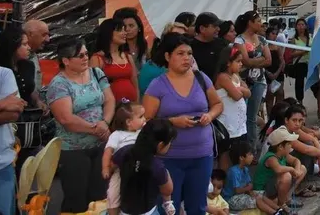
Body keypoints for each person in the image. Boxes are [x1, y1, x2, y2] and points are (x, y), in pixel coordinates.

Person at [143, 33, 224, 215]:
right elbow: (146, 121)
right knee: (169, 207)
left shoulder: (201, 78)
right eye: (180, 53)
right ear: (167, 56)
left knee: (198, 207)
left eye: (189, 53)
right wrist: (173, 122)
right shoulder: (157, 85)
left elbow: (218, 104)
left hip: (202, 155)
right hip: (169, 158)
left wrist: (210, 115)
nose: (186, 58)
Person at [48, 39, 115, 213]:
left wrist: (105, 122)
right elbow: (66, 119)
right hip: (73, 149)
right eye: (80, 56)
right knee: (76, 199)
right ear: (66, 61)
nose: (86, 58)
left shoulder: (96, 72)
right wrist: (97, 129)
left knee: (100, 197)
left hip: (100, 144)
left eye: (86, 54)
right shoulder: (58, 84)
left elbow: (109, 99)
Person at [233, 10, 271, 150]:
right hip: (244, 81)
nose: (261, 24)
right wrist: (260, 59)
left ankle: (252, 147)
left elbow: (269, 61)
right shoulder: (239, 40)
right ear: (250, 23)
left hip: (259, 80)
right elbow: (246, 62)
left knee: (252, 115)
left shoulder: (262, 39)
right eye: (258, 21)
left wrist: (255, 61)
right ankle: (244, 146)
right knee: (242, 114)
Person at [102, 102, 145, 215]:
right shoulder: (117, 135)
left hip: (140, 170)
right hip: (120, 170)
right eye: (141, 117)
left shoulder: (142, 133)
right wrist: (105, 168)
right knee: (113, 194)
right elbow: (108, 152)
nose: (144, 119)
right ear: (129, 122)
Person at [253, 127, 307, 214]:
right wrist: (292, 169)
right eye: (289, 144)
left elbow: (296, 161)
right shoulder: (271, 157)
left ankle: (286, 198)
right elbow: (279, 169)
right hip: (263, 191)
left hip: (273, 185)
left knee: (302, 169)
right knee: (286, 176)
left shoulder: (283, 154)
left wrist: (297, 170)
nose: (291, 145)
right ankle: (282, 204)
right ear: (280, 147)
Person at [213, 46, 249, 170]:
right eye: (238, 61)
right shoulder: (222, 77)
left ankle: (235, 180)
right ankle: (224, 181)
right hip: (227, 124)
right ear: (228, 62)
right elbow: (237, 96)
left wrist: (240, 89)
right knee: (226, 154)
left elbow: (248, 93)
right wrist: (240, 91)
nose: (241, 64)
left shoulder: (235, 76)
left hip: (239, 123)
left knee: (237, 154)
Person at [90, 18, 139, 105]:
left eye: (124, 30)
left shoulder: (128, 57)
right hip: (111, 108)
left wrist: (137, 103)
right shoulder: (97, 59)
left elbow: (135, 83)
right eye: (120, 30)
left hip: (132, 106)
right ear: (108, 34)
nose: (125, 33)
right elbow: (93, 88)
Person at [0, 58, 22, 215]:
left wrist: (7, 106)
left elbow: (13, 114)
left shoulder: (4, 74)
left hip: (1, 164)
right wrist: (1, 104)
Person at [222, 142, 264, 214]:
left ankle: (277, 209)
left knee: (262, 195)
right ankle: (274, 212)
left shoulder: (245, 169)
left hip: (242, 195)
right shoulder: (233, 171)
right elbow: (237, 190)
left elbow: (249, 185)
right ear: (241, 157)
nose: (253, 156)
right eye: (250, 154)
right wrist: (248, 188)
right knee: (257, 200)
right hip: (232, 199)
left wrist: (250, 192)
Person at [191, 13, 226, 83]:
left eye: (218, 26)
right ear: (202, 29)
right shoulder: (190, 47)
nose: (218, 29)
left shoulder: (222, 43)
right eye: (214, 26)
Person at [284, 19, 311, 103]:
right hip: (300, 64)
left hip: (310, 63)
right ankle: (300, 102)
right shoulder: (294, 39)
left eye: (303, 24)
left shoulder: (310, 37)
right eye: (299, 25)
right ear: (296, 27)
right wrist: (303, 52)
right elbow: (291, 54)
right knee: (299, 84)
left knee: (315, 84)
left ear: (306, 26)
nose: (301, 27)